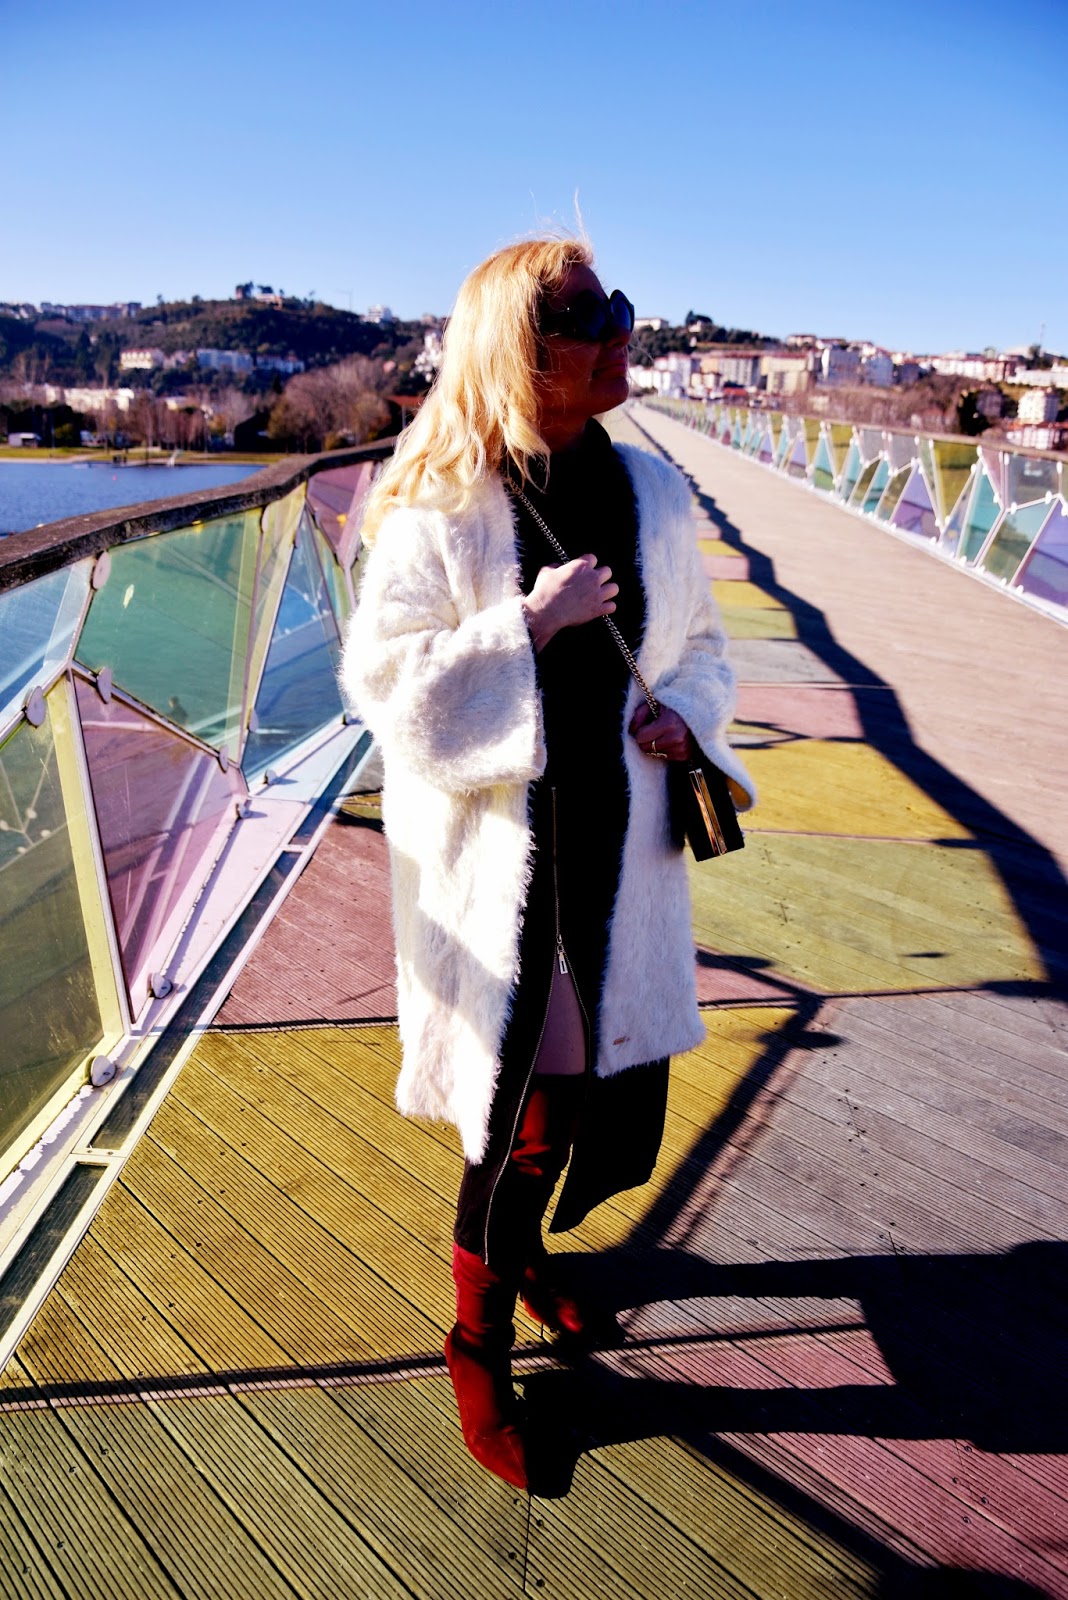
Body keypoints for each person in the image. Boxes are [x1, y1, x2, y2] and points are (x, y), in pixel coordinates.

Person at [341, 236, 754, 1489]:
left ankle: (521, 1267)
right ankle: (476, 1344)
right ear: (519, 352)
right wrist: (526, 623)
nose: (619, 330)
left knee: (575, 1098)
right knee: (522, 1115)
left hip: (616, 845)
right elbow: (387, 692)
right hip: (502, 862)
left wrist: (688, 718)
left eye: (616, 305)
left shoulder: (657, 494)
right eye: (585, 316)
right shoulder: (437, 504)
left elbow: (705, 649)